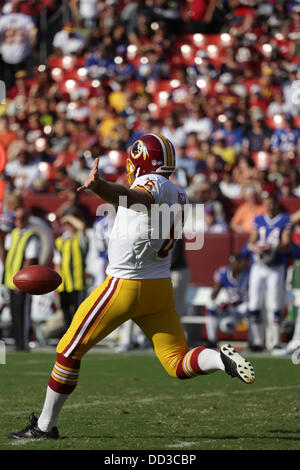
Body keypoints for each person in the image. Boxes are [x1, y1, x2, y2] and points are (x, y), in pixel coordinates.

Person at [8, 133, 255, 440]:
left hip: (125, 285)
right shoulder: (178, 192)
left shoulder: (154, 184)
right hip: (158, 289)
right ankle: (220, 360)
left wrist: (99, 187)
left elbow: (137, 198)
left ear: (142, 162)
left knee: (68, 350)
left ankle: (45, 426)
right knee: (177, 362)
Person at [246, 194, 292, 352]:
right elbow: (251, 240)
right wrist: (256, 246)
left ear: (276, 204)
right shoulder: (258, 219)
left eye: (271, 203)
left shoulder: (285, 219)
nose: (269, 206)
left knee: (274, 305)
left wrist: (272, 247)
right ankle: (257, 341)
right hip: (258, 266)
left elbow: (287, 245)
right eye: (266, 203)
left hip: (275, 266)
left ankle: (275, 341)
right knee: (254, 304)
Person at [2, 207, 40, 351]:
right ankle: (17, 342)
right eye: (16, 218)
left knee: (23, 312)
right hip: (11, 280)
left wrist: (21, 281)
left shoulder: (31, 235)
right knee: (14, 313)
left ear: (27, 218)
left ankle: (23, 342)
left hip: (23, 282)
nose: (18, 221)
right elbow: (6, 254)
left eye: (21, 218)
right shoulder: (12, 234)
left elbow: (29, 260)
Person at [54, 214, 89, 330]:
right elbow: (57, 263)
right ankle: (69, 336)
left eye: (71, 223)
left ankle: (78, 336)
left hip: (78, 282)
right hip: (64, 283)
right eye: (67, 223)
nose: (69, 226)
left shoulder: (80, 238)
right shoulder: (60, 241)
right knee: (66, 313)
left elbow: (82, 227)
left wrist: (70, 217)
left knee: (78, 312)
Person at [206, 255, 249, 348]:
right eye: (236, 263)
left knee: (251, 308)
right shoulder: (224, 273)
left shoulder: (248, 274)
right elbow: (213, 295)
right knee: (212, 308)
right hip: (230, 308)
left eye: (239, 262)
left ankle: (253, 342)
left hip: (243, 307)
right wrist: (220, 302)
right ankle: (212, 341)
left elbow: (251, 297)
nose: (239, 265)